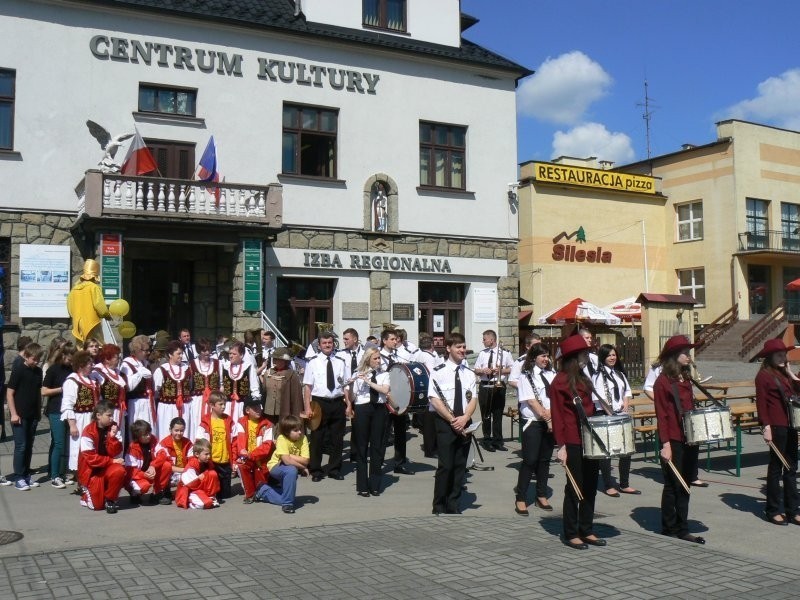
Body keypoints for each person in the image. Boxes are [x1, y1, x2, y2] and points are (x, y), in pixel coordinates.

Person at [550, 334, 605, 550]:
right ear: (574, 357)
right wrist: (561, 446)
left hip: (588, 439)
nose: (587, 357)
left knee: (590, 486)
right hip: (571, 441)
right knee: (574, 488)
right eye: (583, 353)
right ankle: (571, 532)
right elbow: (557, 416)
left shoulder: (583, 378)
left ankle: (587, 528)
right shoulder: (560, 382)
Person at [653, 335, 705, 544]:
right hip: (672, 439)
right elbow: (662, 415)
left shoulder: (686, 378)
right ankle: (670, 526)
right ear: (675, 356)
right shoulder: (662, 382)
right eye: (685, 352)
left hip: (688, 437)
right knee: (673, 484)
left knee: (685, 483)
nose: (688, 355)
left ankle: (682, 525)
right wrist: (665, 444)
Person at [427, 332, 477, 515]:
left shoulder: (469, 374)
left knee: (459, 466)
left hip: (464, 422)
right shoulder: (438, 372)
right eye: (458, 347)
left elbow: (473, 399)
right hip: (445, 423)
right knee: (446, 466)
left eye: (464, 347)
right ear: (448, 349)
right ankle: (439, 504)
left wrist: (465, 418)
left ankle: (453, 503)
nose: (462, 350)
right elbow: (434, 399)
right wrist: (452, 420)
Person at [754, 338, 800, 526]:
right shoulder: (763, 376)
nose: (783, 357)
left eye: (784, 354)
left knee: (791, 468)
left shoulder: (785, 374)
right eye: (779, 355)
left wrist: (790, 372)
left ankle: (793, 510)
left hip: (791, 424)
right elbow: (761, 403)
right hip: (776, 425)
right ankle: (772, 510)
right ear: (770, 357)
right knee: (775, 468)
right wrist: (765, 427)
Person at [592, 343, 640, 496]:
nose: (612, 358)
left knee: (626, 450)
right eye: (609, 355)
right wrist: (611, 414)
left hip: (621, 414)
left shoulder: (619, 373)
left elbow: (627, 390)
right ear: (603, 358)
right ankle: (608, 485)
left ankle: (624, 483)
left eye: (614, 355)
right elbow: (599, 398)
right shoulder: (598, 375)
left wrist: (626, 405)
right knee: (607, 453)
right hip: (606, 415)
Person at [302, 331, 350, 482]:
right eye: (324, 343)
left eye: (330, 342)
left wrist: (348, 405)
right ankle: (316, 470)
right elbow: (308, 387)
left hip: (337, 402)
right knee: (317, 438)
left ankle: (334, 469)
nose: (327, 345)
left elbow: (346, 386)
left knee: (337, 438)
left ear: (333, 343)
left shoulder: (341, 361)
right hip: (319, 403)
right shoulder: (312, 362)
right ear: (319, 345)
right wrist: (307, 407)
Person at [515, 343, 556, 515]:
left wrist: (552, 415)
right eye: (542, 356)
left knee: (545, 460)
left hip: (550, 420)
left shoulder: (552, 374)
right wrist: (546, 416)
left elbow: (558, 397)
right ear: (533, 358)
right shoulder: (526, 376)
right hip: (533, 422)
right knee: (530, 460)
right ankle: (521, 498)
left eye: (547, 356)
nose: (546, 359)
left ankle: (541, 495)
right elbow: (531, 400)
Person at [349, 347, 390, 497]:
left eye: (379, 358)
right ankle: (362, 486)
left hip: (379, 409)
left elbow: (385, 391)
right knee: (361, 447)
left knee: (377, 447)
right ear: (368, 360)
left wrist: (369, 381)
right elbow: (353, 398)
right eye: (375, 358)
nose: (379, 361)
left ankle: (375, 485)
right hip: (362, 409)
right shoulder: (357, 373)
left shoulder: (384, 374)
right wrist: (352, 384)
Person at [6, 342, 45, 490]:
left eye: (38, 360)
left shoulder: (38, 371)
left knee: (29, 446)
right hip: (19, 415)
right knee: (21, 446)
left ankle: (27, 475)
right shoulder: (18, 370)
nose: (36, 362)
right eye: (33, 359)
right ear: (26, 356)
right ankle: (19, 477)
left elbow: (36, 392)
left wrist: (38, 412)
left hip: (33, 415)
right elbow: (9, 393)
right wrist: (14, 413)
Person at [77, 400, 126, 513]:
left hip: (106, 467)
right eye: (109, 415)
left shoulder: (113, 428)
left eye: (112, 415)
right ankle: (86, 493)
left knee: (119, 470)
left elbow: (117, 451)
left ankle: (110, 499)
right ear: (98, 415)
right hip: (91, 472)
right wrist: (112, 461)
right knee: (97, 506)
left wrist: (112, 438)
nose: (111, 418)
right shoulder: (88, 432)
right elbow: (91, 458)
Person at [255, 414, 309, 513]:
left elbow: (306, 460)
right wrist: (303, 467)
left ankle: (263, 490)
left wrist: (290, 456)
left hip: (289, 467)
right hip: (275, 466)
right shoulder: (281, 438)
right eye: (296, 430)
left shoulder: (303, 438)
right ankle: (287, 504)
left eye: (300, 429)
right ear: (287, 432)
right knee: (291, 470)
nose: (300, 432)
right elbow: (286, 461)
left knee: (286, 494)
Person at [41, 341, 75, 489]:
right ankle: (55, 475)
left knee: (66, 443)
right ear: (63, 355)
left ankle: (62, 473)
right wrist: (62, 389)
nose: (71, 361)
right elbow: (44, 391)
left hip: (69, 409)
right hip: (55, 409)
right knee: (59, 442)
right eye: (69, 358)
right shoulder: (53, 369)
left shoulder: (72, 370)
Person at [62, 350, 101, 479]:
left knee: (91, 446)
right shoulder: (72, 381)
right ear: (80, 366)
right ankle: (81, 479)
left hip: (92, 419)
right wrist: (72, 425)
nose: (92, 365)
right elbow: (67, 405)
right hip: (80, 419)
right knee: (79, 447)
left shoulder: (91, 380)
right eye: (89, 363)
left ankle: (91, 476)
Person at [379, 328, 413, 474]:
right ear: (384, 341)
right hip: (384, 400)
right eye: (392, 339)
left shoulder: (399, 356)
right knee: (382, 434)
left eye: (396, 339)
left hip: (398, 400)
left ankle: (399, 463)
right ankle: (378, 463)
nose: (395, 341)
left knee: (400, 433)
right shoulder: (378, 357)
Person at [473, 329, 513, 452]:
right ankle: (487, 440)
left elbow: (511, 368)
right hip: (485, 385)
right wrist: (483, 370)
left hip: (498, 385)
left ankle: (498, 441)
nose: (483, 341)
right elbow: (476, 369)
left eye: (485, 339)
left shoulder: (505, 353)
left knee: (497, 414)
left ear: (492, 339)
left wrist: (499, 370)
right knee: (486, 415)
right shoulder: (482, 353)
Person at [234, 399, 275, 503]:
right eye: (255, 408)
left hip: (262, 460)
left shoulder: (267, 424)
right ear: (247, 410)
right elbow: (240, 441)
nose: (259, 410)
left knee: (261, 487)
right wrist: (242, 453)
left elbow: (266, 447)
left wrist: (250, 455)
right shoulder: (242, 422)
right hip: (247, 457)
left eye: (259, 407)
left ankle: (262, 488)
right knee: (242, 466)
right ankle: (249, 494)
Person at [152, 340, 193, 443]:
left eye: (182, 353)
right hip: (167, 409)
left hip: (184, 408)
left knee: (184, 432)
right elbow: (156, 391)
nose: (181, 356)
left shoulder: (187, 369)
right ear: (170, 354)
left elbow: (190, 386)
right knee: (167, 431)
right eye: (178, 353)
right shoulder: (161, 370)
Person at [125, 419, 173, 505]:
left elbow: (162, 454)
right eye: (145, 434)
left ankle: (156, 493)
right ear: (138, 436)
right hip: (139, 476)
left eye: (149, 433)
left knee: (167, 465)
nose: (149, 436)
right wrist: (144, 475)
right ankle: (134, 494)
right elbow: (131, 472)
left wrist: (153, 465)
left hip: (151, 471)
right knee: (144, 486)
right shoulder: (132, 449)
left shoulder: (153, 440)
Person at [197, 390, 234, 499]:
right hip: (212, 462)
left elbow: (234, 441)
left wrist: (234, 459)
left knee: (226, 495)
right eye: (220, 404)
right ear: (212, 405)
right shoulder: (205, 422)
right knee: (213, 490)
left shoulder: (229, 421)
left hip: (225, 461)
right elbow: (200, 443)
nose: (223, 407)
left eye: (224, 404)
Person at [66, 258, 110, 346]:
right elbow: (99, 305)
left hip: (78, 323)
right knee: (97, 344)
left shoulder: (74, 289)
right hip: (92, 323)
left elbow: (70, 307)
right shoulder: (93, 287)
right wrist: (106, 314)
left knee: (81, 345)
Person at [415, 333, 443, 458]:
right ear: (432, 345)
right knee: (431, 423)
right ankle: (430, 449)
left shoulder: (420, 354)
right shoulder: (429, 357)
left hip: (423, 389)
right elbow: (433, 374)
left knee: (429, 422)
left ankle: (430, 447)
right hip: (431, 391)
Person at [121, 335, 156, 434]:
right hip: (136, 403)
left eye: (149, 350)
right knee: (139, 430)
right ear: (137, 350)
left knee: (150, 430)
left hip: (148, 402)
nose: (148, 353)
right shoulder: (127, 364)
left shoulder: (145, 363)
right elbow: (128, 386)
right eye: (146, 350)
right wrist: (139, 374)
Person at [188, 338, 221, 441]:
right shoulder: (192, 364)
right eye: (204, 350)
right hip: (197, 401)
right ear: (198, 351)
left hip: (213, 400)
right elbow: (189, 385)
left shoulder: (217, 363)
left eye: (208, 349)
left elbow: (221, 384)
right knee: (198, 423)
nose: (207, 352)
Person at [221, 341, 260, 423]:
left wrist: (254, 405)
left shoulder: (248, 366)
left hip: (242, 405)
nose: (231, 356)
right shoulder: (225, 366)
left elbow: (254, 387)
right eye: (230, 353)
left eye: (234, 354)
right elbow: (220, 385)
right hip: (227, 405)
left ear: (241, 355)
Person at [93, 344, 128, 437]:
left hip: (119, 411)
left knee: (119, 439)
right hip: (107, 413)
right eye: (116, 357)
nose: (119, 360)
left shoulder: (118, 373)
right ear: (107, 359)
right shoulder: (98, 372)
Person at [175, 438, 220, 509]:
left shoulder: (208, 462)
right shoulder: (192, 465)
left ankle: (211, 496)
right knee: (206, 503)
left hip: (200, 488)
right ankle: (191, 502)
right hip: (190, 490)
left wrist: (204, 476)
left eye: (209, 454)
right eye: (206, 454)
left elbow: (210, 479)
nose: (209, 456)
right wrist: (201, 477)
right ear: (197, 454)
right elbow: (190, 484)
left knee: (212, 473)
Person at [261, 347, 303, 423]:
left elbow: (296, 397)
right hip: (268, 412)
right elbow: (264, 392)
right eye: (275, 359)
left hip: (285, 411)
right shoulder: (268, 373)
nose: (276, 361)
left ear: (285, 361)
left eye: (279, 359)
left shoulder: (291, 375)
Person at [156, 416, 193, 488]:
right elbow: (166, 466)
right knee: (165, 465)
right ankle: (163, 490)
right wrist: (184, 470)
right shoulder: (164, 444)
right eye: (176, 430)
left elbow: (192, 460)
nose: (179, 433)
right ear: (170, 430)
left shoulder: (188, 443)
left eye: (181, 431)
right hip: (171, 472)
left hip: (184, 471)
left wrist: (189, 470)